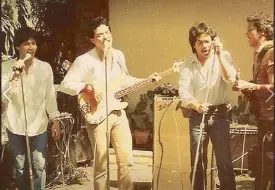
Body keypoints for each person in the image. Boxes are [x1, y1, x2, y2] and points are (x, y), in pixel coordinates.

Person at [59, 16, 161, 190]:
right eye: (100, 35)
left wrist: (147, 80)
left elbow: (124, 80)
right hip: (97, 115)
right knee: (101, 166)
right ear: (92, 39)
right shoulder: (84, 60)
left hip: (118, 112)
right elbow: (66, 85)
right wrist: (88, 87)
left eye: (107, 32)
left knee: (127, 162)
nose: (106, 37)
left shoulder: (118, 55)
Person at [178, 22, 236, 189]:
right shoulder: (188, 64)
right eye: (200, 42)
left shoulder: (224, 56)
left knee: (224, 162)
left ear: (213, 41)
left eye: (207, 41)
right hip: (198, 115)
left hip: (220, 115)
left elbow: (230, 79)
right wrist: (196, 104)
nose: (204, 46)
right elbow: (184, 92)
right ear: (193, 45)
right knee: (198, 162)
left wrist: (219, 55)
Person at [1, 27, 61, 190]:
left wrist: (55, 120)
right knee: (20, 169)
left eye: (34, 43)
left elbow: (50, 97)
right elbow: (3, 98)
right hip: (15, 125)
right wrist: (14, 75)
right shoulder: (6, 68)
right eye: (26, 43)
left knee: (39, 166)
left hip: (39, 125)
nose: (31, 47)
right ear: (17, 47)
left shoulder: (45, 68)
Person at [233, 12, 274, 190]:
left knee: (267, 167)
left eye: (250, 30)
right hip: (264, 118)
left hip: (271, 120)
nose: (247, 34)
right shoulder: (259, 54)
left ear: (262, 32)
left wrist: (250, 86)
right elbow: (261, 87)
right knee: (261, 166)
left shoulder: (271, 52)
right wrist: (244, 87)